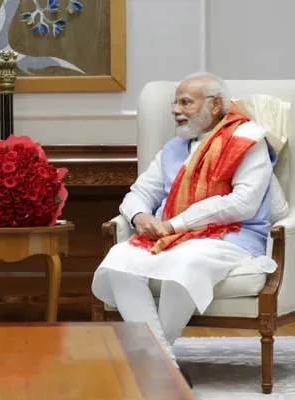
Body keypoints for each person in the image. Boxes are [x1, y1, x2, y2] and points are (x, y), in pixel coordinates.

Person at [91, 72, 278, 387]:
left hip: (230, 237)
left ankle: (150, 364)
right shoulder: (174, 149)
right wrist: (139, 217)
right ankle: (161, 365)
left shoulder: (248, 140)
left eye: (185, 102)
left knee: (185, 264)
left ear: (215, 104)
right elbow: (139, 193)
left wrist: (174, 224)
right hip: (169, 238)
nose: (175, 110)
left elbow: (242, 203)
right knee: (118, 261)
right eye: (174, 102)